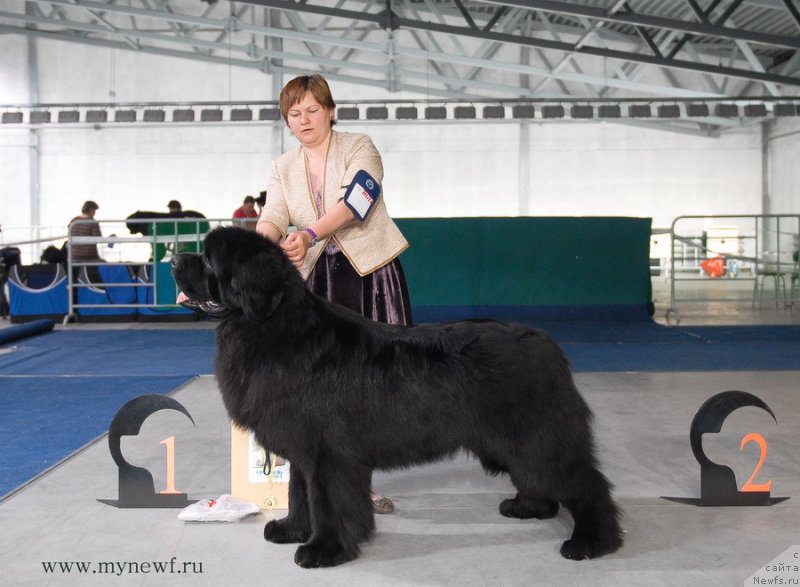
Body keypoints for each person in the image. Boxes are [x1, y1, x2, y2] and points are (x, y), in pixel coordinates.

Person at [256, 73, 412, 515]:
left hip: (370, 273)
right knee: (321, 386)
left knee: (373, 381)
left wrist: (306, 233)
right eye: (294, 113)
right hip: (315, 282)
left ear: (330, 111)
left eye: (311, 109)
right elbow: (272, 214)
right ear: (287, 122)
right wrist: (261, 241)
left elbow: (359, 202)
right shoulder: (282, 167)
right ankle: (327, 481)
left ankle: (362, 485)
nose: (303, 119)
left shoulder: (360, 146)